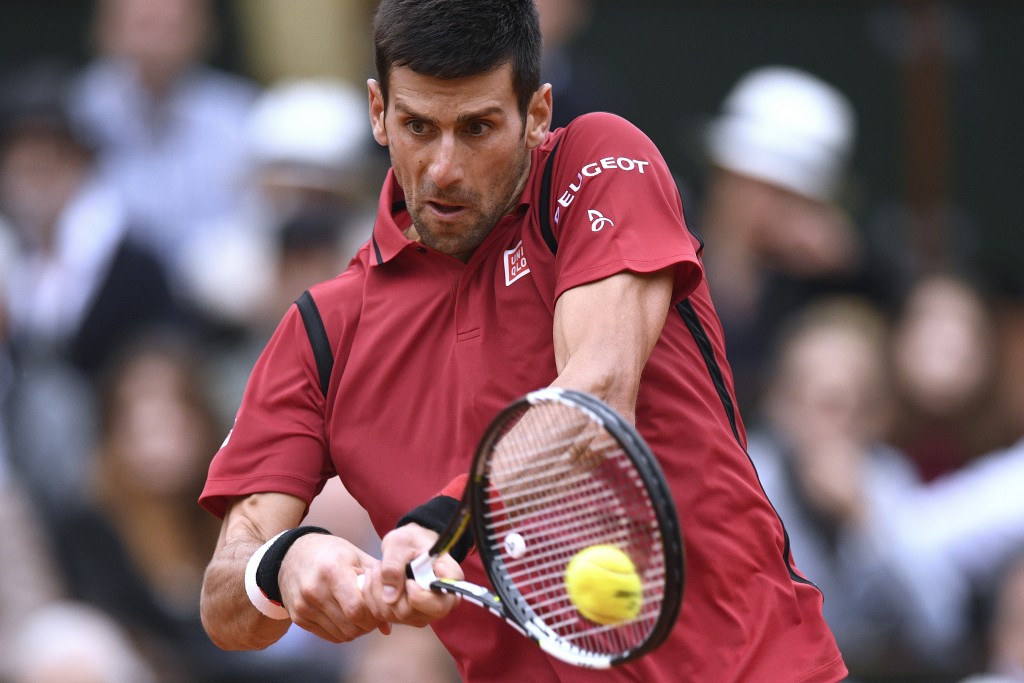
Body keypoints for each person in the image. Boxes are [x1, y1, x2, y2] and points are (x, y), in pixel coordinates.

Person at [198, 2, 847, 681]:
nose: (443, 167)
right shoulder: (321, 333)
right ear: (377, 112)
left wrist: (440, 522)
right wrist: (286, 562)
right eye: (418, 126)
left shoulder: (597, 162)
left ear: (537, 114)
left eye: (477, 127)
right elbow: (224, 594)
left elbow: (596, 402)